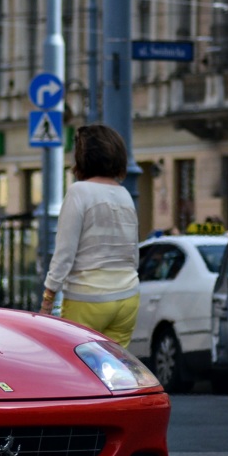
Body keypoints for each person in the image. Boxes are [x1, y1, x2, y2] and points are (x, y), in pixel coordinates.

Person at [39, 124, 140, 346]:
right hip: (127, 297)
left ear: (83, 157)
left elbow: (65, 253)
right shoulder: (125, 195)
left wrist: (48, 298)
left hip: (88, 298)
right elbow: (133, 254)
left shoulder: (79, 192)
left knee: (77, 369)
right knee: (114, 373)